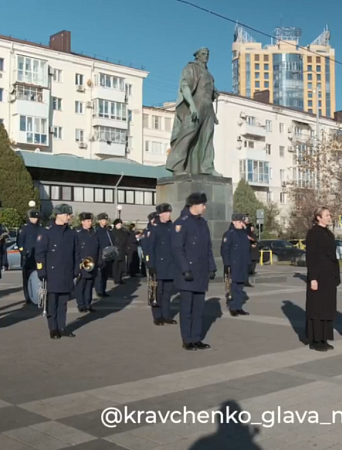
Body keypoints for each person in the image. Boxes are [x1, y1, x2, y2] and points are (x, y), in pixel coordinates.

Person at [165, 48, 222, 176]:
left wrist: (214, 95)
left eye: (207, 54)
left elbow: (210, 92)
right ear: (196, 56)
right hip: (196, 104)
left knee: (207, 138)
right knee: (187, 135)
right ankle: (177, 166)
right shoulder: (191, 68)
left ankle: (207, 168)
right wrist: (192, 106)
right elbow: (185, 86)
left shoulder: (209, 74)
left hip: (208, 108)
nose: (206, 56)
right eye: (203, 54)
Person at [172, 192, 216, 350]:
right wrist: (185, 269)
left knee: (198, 310)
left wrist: (211, 267)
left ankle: (197, 338)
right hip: (188, 275)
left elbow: (207, 248)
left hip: (201, 273)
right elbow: (177, 250)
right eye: (203, 204)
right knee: (186, 310)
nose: (205, 207)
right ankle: (187, 340)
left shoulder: (202, 223)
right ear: (195, 205)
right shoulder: (181, 223)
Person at [35, 204, 76, 339]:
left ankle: (62, 327)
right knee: (52, 303)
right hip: (52, 273)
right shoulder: (47, 231)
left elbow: (76, 253)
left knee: (63, 303)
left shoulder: (71, 233)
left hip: (66, 273)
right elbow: (40, 254)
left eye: (69, 215)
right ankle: (53, 328)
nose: (69, 217)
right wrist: (41, 271)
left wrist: (76, 269)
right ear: (58, 215)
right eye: (66, 215)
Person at [305, 207, 339, 352]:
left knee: (327, 307)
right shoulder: (313, 233)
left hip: (329, 274)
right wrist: (313, 278)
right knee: (317, 307)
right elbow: (311, 256)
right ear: (318, 217)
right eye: (326, 215)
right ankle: (316, 339)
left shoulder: (329, 233)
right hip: (318, 274)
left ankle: (324, 337)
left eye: (329, 215)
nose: (329, 217)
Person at [144, 205, 177, 326]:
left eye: (169, 212)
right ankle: (157, 316)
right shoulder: (154, 228)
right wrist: (150, 264)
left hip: (170, 265)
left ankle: (166, 315)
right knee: (157, 291)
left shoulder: (171, 227)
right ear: (160, 214)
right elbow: (149, 248)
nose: (169, 214)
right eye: (167, 212)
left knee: (168, 292)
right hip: (158, 265)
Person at [221, 213, 251, 317]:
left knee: (240, 287)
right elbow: (225, 250)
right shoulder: (229, 234)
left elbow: (247, 250)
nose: (241, 224)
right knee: (233, 287)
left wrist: (248, 263)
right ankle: (233, 307)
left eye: (242, 222)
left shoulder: (243, 234)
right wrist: (227, 264)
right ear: (233, 222)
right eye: (239, 222)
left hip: (242, 264)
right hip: (233, 264)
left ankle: (239, 307)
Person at [74, 213, 101, 313]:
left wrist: (98, 261)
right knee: (81, 285)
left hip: (92, 263)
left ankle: (88, 304)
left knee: (89, 285)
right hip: (82, 263)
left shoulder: (94, 232)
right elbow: (75, 250)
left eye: (90, 221)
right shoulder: (78, 233)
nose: (90, 223)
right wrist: (78, 264)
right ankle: (81, 304)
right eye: (88, 221)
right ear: (82, 222)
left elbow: (98, 248)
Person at [17, 209, 41, 305]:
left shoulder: (41, 228)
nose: (35, 219)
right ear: (30, 218)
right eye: (33, 217)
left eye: (37, 217)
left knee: (39, 278)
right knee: (27, 279)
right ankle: (28, 297)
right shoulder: (24, 228)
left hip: (38, 257)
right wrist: (24, 253)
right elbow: (20, 243)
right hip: (28, 257)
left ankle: (38, 295)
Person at [94, 213, 113, 297]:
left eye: (105, 220)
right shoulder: (96, 231)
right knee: (99, 274)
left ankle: (103, 289)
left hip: (107, 254)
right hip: (99, 254)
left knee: (105, 274)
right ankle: (99, 290)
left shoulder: (107, 231)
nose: (105, 221)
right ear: (99, 221)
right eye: (103, 220)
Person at [111, 219, 129, 285]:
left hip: (122, 251)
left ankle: (120, 278)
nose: (120, 225)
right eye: (118, 224)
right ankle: (116, 279)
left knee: (121, 266)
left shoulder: (123, 232)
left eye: (120, 224)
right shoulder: (112, 232)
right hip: (115, 251)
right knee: (115, 266)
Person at [244, 215, 259, 280]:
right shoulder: (247, 234)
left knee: (253, 263)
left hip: (254, 252)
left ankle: (252, 271)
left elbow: (255, 241)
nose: (252, 228)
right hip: (250, 252)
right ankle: (250, 272)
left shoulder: (254, 235)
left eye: (252, 227)